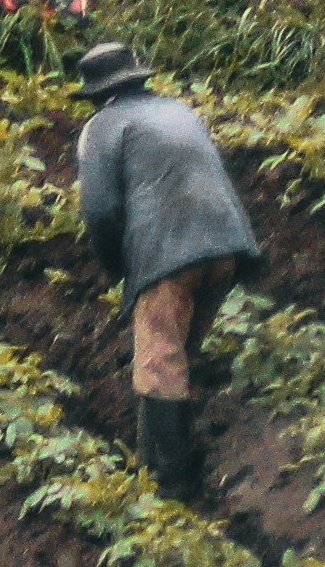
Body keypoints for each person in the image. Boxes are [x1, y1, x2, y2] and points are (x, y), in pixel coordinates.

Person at [71, 41, 264, 507]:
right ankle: (154, 462)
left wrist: (119, 271)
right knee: (177, 355)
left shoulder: (102, 128)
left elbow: (100, 212)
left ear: (97, 92)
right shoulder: (180, 112)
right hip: (228, 245)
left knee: (159, 364)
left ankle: (174, 484)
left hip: (168, 251)